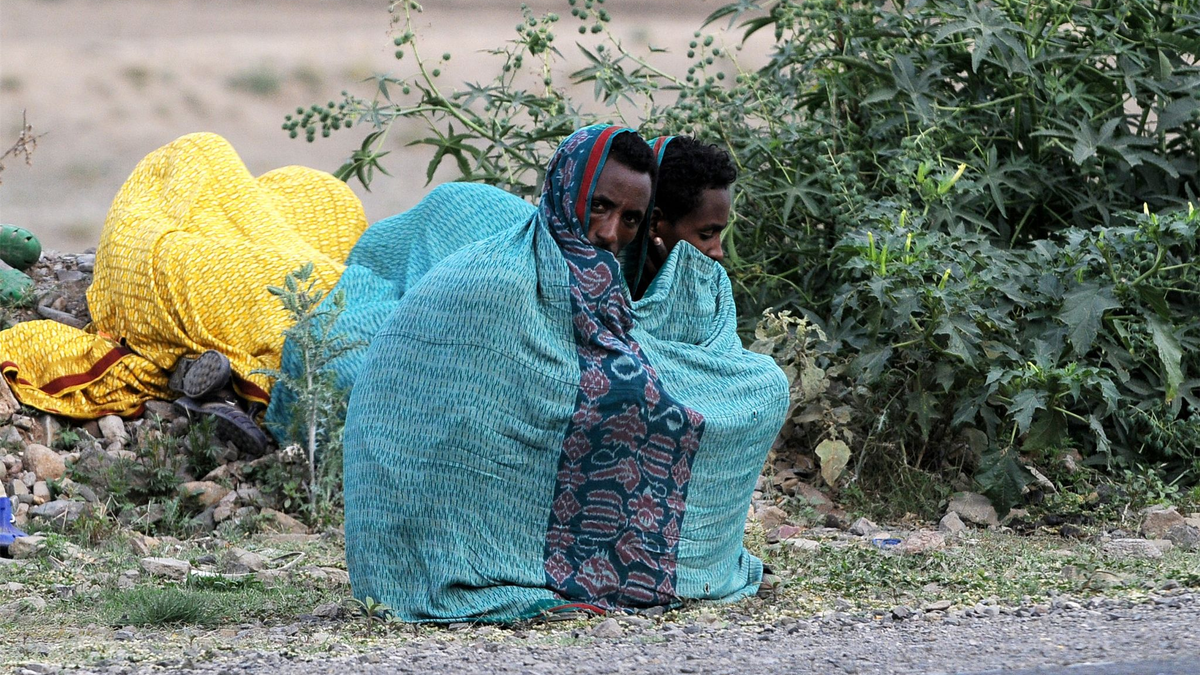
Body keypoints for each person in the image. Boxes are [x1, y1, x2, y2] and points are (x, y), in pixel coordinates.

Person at [341, 124, 788, 622]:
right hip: (422, 531)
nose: (609, 232)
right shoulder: (498, 281)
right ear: (563, 189)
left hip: (487, 511)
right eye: (600, 206)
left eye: (631, 219)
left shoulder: (599, 285)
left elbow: (613, 369)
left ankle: (658, 565)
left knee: (752, 390)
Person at [627, 136, 737, 299]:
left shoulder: (715, 298)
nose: (718, 252)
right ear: (654, 224)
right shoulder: (605, 296)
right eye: (706, 234)